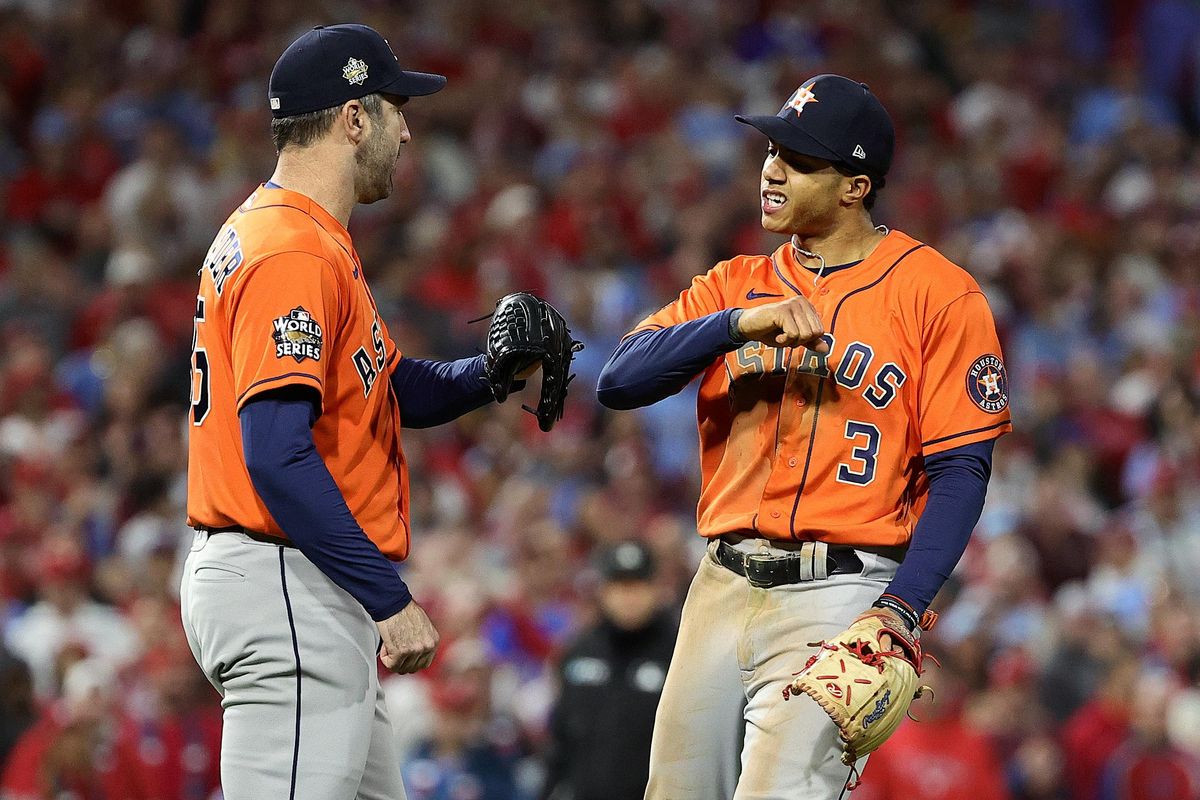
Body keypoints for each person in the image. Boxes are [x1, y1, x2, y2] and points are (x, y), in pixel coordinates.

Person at [597, 74, 1012, 798]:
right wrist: (734, 326)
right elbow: (619, 379)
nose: (772, 171)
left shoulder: (939, 294)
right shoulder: (735, 284)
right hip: (720, 583)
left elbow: (962, 471)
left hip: (841, 594)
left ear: (855, 187)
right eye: (770, 152)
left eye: (798, 160)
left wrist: (902, 608)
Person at [181, 24, 539, 800]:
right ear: (353, 118)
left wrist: (492, 373)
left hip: (299, 583)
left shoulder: (297, 233)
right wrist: (389, 598)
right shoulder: (292, 249)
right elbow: (275, 453)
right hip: (284, 580)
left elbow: (390, 388)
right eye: (394, 109)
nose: (405, 132)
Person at [541, 540, 678, 800]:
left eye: (637, 585)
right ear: (603, 590)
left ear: (655, 589)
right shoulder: (579, 653)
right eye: (620, 585)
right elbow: (560, 740)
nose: (629, 597)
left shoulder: (677, 655)